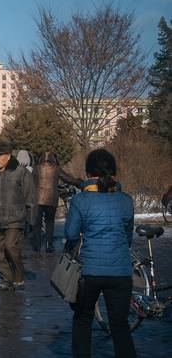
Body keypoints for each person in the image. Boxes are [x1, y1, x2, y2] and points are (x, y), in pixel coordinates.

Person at [65, 148, 136, 358]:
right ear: (114, 172)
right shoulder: (126, 200)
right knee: (120, 325)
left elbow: (70, 234)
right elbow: (127, 235)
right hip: (121, 271)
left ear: (88, 174)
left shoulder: (80, 201)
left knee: (82, 320)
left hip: (90, 272)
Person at [0, 141, 35, 291]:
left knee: (11, 247)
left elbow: (30, 197)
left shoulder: (20, 172)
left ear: (8, 155)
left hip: (15, 218)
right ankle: (6, 280)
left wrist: (31, 221)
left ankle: (18, 276)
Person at [32, 151, 82, 254]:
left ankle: (36, 246)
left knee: (37, 223)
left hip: (37, 199)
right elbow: (68, 179)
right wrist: (79, 183)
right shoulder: (56, 168)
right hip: (51, 199)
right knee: (50, 222)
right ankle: (49, 245)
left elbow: (30, 182)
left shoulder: (36, 168)